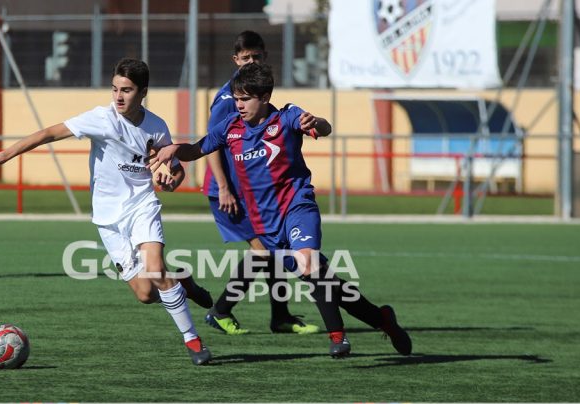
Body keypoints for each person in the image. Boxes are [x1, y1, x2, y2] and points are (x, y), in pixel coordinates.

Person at [149, 63, 412, 358]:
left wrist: (317, 123)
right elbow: (197, 150)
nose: (239, 105)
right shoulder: (230, 128)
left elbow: (323, 128)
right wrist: (174, 149)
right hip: (266, 225)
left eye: (245, 99)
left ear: (264, 97)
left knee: (309, 264)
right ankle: (383, 320)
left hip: (297, 206)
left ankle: (338, 338)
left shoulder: (286, 118)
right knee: (331, 286)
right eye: (236, 98)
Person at [0, 58, 213, 365]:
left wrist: (170, 181)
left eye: (126, 90)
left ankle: (193, 341)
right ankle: (183, 281)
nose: (118, 96)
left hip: (142, 205)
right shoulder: (101, 119)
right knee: (145, 293)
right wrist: (2, 156)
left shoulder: (156, 126)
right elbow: (49, 133)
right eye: (114, 89)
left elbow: (176, 171)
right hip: (108, 218)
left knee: (155, 268)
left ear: (143, 93)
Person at [202, 30, 319, 336]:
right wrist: (224, 187)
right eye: (245, 58)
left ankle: (278, 315)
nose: (250, 61)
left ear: (264, 57)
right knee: (265, 251)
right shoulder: (230, 98)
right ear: (235, 60)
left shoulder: (254, 90)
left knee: (271, 250)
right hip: (229, 189)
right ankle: (222, 310)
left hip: (250, 189)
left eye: (256, 56)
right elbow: (211, 143)